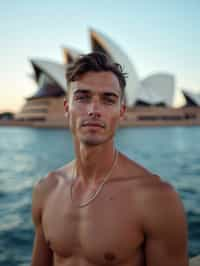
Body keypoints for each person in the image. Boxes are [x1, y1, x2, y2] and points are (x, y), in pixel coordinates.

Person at [31, 52, 188, 266]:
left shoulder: (157, 199)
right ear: (67, 109)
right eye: (83, 97)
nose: (94, 110)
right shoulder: (46, 189)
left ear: (121, 111)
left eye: (108, 99)